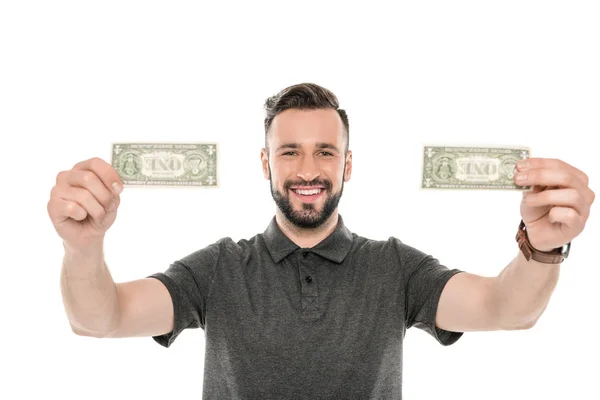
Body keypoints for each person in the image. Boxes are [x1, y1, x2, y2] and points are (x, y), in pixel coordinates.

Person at [47, 83, 595, 399]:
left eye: (325, 152)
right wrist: (83, 246)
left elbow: (507, 309)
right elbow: (101, 318)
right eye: (289, 152)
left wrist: (542, 248)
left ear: (347, 165)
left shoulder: (395, 268)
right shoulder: (218, 269)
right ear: (266, 163)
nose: (307, 169)